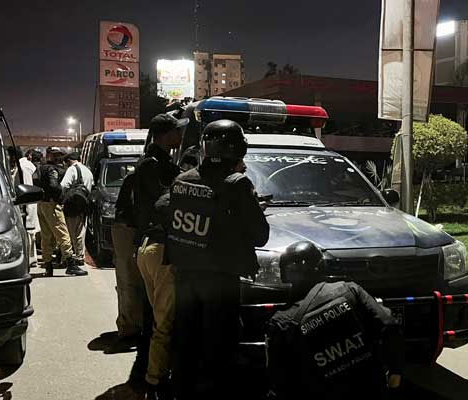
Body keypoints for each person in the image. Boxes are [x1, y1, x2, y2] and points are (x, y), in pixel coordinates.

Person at [167, 119, 269, 399]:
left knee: (187, 338)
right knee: (219, 345)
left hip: (185, 276)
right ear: (237, 150)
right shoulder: (237, 184)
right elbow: (260, 235)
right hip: (220, 279)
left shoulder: (182, 180)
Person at [265, 241, 404, 400]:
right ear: (322, 266)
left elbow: (278, 380)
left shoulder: (281, 322)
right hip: (369, 390)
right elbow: (389, 325)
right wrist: (395, 372)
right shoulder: (349, 289)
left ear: (284, 274)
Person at [133, 113, 186, 399]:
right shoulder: (154, 165)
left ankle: (154, 373)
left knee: (158, 319)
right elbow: (162, 203)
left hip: (148, 247)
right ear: (166, 135)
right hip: (160, 248)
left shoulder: (153, 162)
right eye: (177, 132)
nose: (180, 136)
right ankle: (155, 383)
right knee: (164, 324)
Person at [36, 147, 86, 277]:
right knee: (63, 234)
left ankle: (48, 266)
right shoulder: (52, 169)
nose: (59, 158)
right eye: (57, 155)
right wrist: (62, 194)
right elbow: (54, 185)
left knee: (46, 236)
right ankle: (70, 264)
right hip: (52, 205)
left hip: (41, 203)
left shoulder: (40, 168)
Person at [108, 171, 144, 353]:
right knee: (129, 283)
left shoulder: (137, 176)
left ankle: (132, 326)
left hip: (133, 230)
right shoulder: (140, 177)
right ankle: (129, 329)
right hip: (129, 229)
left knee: (131, 283)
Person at [60, 152, 93, 267]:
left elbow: (64, 185)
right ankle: (80, 256)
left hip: (72, 204)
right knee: (81, 230)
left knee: (69, 231)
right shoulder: (87, 170)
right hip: (84, 203)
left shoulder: (72, 170)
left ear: (69, 161)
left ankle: (68, 257)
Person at [19, 149, 40, 266]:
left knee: (30, 233)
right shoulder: (26, 167)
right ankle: (30, 259)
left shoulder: (24, 166)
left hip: (28, 205)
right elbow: (28, 186)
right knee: (29, 233)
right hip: (28, 204)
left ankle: (31, 259)